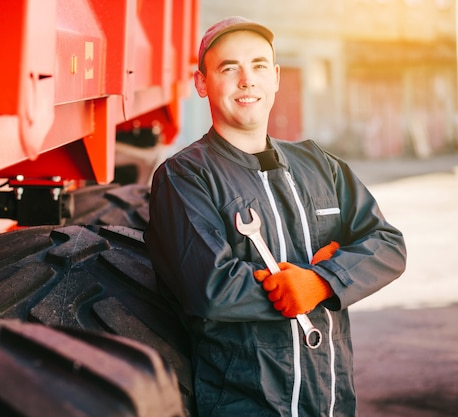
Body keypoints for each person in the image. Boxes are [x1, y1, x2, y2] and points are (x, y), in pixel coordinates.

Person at [144, 16, 407, 417]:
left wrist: (321, 281)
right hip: (245, 404)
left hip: (333, 400)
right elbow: (211, 287)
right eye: (229, 68)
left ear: (276, 77)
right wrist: (308, 282)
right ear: (202, 83)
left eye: (259, 66)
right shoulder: (185, 175)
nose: (246, 80)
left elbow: (387, 245)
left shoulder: (319, 164)